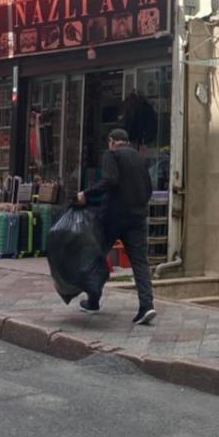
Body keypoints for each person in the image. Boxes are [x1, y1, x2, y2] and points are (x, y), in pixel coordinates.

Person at [76, 128, 157, 325]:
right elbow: (148, 188)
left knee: (97, 256)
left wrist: (86, 194)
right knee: (140, 263)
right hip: (137, 218)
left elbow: (109, 180)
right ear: (126, 142)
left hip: (113, 217)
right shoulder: (139, 158)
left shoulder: (111, 155)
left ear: (112, 142)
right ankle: (146, 306)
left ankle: (93, 300)